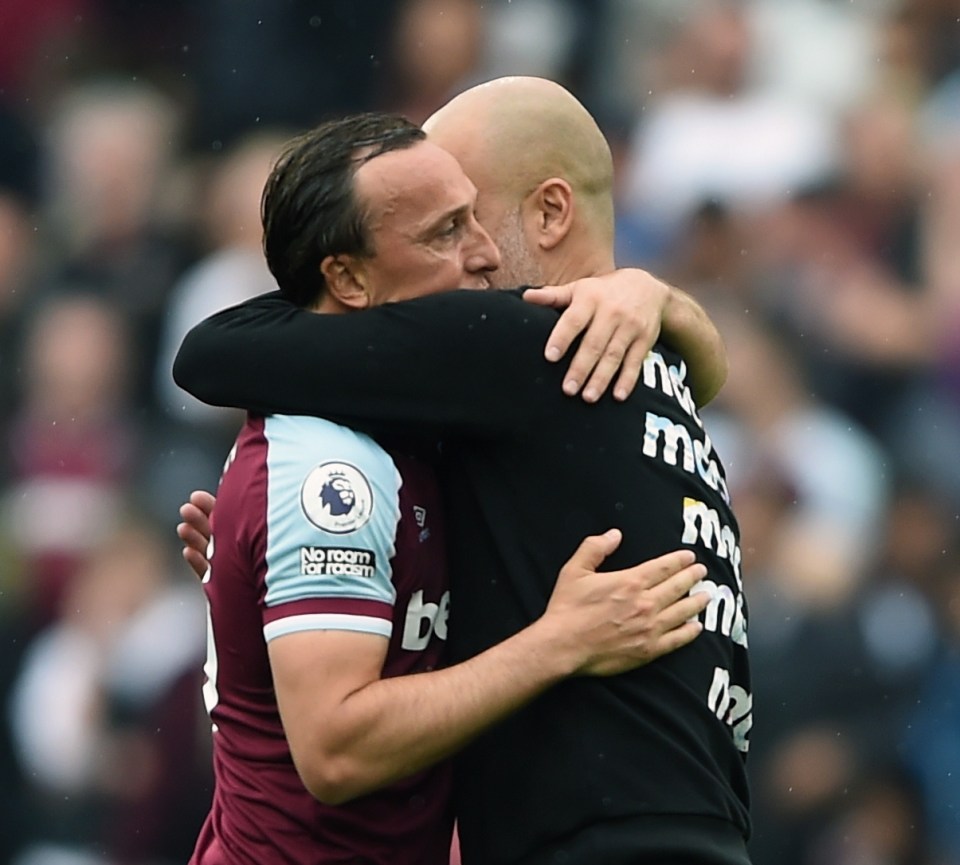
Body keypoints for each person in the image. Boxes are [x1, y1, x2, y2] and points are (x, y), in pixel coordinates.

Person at [176, 79, 750, 864]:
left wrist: (559, 641)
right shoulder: (659, 370)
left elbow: (212, 352)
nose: (476, 250)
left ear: (551, 211)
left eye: (472, 212)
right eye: (449, 228)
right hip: (700, 828)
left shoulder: (517, 348)